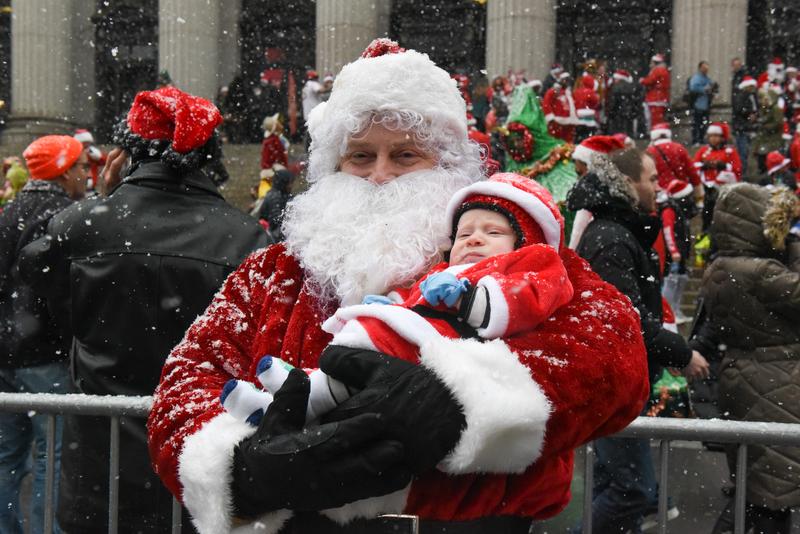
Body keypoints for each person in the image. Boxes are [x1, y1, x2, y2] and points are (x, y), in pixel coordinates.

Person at [146, 38, 649, 534]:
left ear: (450, 167)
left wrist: (463, 401)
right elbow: (188, 379)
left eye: (405, 156)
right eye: (360, 156)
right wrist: (240, 469)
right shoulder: (274, 274)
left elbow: (614, 353)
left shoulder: (511, 252)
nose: (380, 175)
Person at [19, 87, 269, 533]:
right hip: (197, 461)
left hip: (100, 460)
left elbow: (49, 312)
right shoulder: (247, 237)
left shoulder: (80, 226)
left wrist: (104, 203)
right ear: (207, 155)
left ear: (123, 155)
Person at [224, 173, 575, 427]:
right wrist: (392, 303)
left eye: (405, 155)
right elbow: (416, 296)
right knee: (349, 365)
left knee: (356, 365)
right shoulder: (270, 268)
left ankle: (299, 394)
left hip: (433, 355)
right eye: (465, 234)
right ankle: (290, 395)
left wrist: (471, 300)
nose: (380, 174)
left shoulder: (534, 265)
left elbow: (528, 298)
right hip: (403, 335)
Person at [567, 149, 710, 533]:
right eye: (650, 178)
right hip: (611, 385)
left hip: (616, 382)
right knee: (633, 490)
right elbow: (627, 320)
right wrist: (682, 353)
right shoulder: (611, 238)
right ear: (628, 184)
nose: (657, 185)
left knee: (614, 484)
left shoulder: (616, 231)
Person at [691, 184, 800, 534]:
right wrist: (796, 251)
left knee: (755, 492)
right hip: (775, 384)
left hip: (748, 378)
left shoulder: (722, 266)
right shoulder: (762, 272)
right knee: (772, 497)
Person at [0, 135, 88, 534]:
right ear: (65, 170)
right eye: (82, 166)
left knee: (7, 456)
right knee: (50, 459)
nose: (87, 174)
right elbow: (63, 294)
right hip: (43, 355)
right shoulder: (66, 215)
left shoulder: (9, 212)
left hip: (6, 356)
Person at [658, 179, 696, 324]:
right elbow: (668, 230)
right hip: (673, 254)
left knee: (680, 280)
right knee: (671, 282)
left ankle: (676, 309)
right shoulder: (670, 209)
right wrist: (673, 250)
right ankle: (668, 312)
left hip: (680, 251)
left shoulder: (678, 210)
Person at [693, 122, 742, 233]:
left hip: (724, 190)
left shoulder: (730, 152)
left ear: (722, 137)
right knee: (707, 217)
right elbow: (694, 166)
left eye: (716, 136)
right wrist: (704, 166)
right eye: (711, 136)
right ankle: (705, 240)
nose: (713, 139)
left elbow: (737, 169)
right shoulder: (703, 151)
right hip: (707, 189)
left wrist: (724, 166)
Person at [646, 122, 701, 191]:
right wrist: (698, 188)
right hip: (680, 189)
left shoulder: (649, 151)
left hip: (659, 191)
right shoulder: (678, 147)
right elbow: (691, 170)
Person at [754, 86, 786, 174]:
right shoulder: (764, 109)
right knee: (762, 163)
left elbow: (778, 123)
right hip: (764, 141)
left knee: (768, 163)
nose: (762, 101)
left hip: (772, 141)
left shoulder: (775, 109)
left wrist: (765, 126)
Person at [732, 75, 760, 175]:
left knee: (747, 152)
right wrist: (749, 114)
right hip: (742, 128)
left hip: (749, 127)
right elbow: (739, 110)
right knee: (742, 152)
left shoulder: (753, 96)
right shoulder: (741, 96)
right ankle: (741, 173)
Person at [257, 167, 293, 242]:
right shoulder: (275, 197)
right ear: (283, 183)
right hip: (274, 237)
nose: (290, 186)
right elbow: (276, 222)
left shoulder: (282, 193)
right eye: (289, 183)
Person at [543, 71, 578, 143]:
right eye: (565, 80)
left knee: (568, 142)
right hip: (558, 121)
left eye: (568, 80)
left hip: (569, 122)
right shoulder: (554, 91)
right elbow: (546, 103)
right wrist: (551, 118)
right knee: (556, 142)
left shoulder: (568, 92)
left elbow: (573, 105)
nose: (567, 82)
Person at [688, 61, 717, 146]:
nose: (706, 70)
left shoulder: (707, 78)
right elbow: (693, 88)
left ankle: (701, 139)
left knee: (704, 123)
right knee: (697, 123)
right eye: (704, 68)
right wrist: (704, 89)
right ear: (700, 68)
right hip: (698, 104)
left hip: (705, 105)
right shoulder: (696, 78)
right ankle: (695, 140)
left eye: (707, 68)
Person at [640, 53, 671, 132]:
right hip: (660, 99)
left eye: (651, 62)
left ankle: (655, 134)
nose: (650, 64)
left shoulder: (658, 70)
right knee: (659, 119)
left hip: (655, 99)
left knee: (655, 120)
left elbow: (649, 81)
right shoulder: (664, 70)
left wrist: (642, 80)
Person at [607, 69, 637, 137]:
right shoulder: (632, 87)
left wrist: (610, 113)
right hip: (629, 114)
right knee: (628, 133)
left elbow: (613, 103)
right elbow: (635, 102)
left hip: (618, 114)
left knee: (618, 134)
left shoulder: (616, 87)